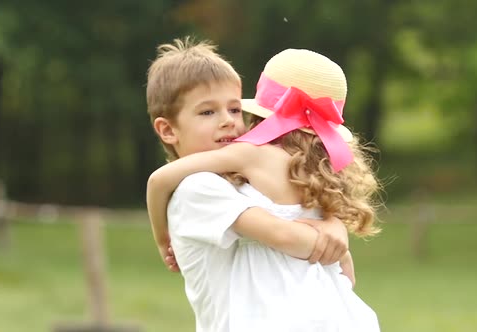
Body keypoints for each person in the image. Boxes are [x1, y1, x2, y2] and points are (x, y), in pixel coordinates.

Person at [147, 48, 383, 331]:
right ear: (168, 130)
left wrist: (333, 225)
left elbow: (296, 214)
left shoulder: (246, 178)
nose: (228, 120)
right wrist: (163, 238)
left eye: (235, 109)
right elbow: (286, 234)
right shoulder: (198, 188)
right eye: (207, 112)